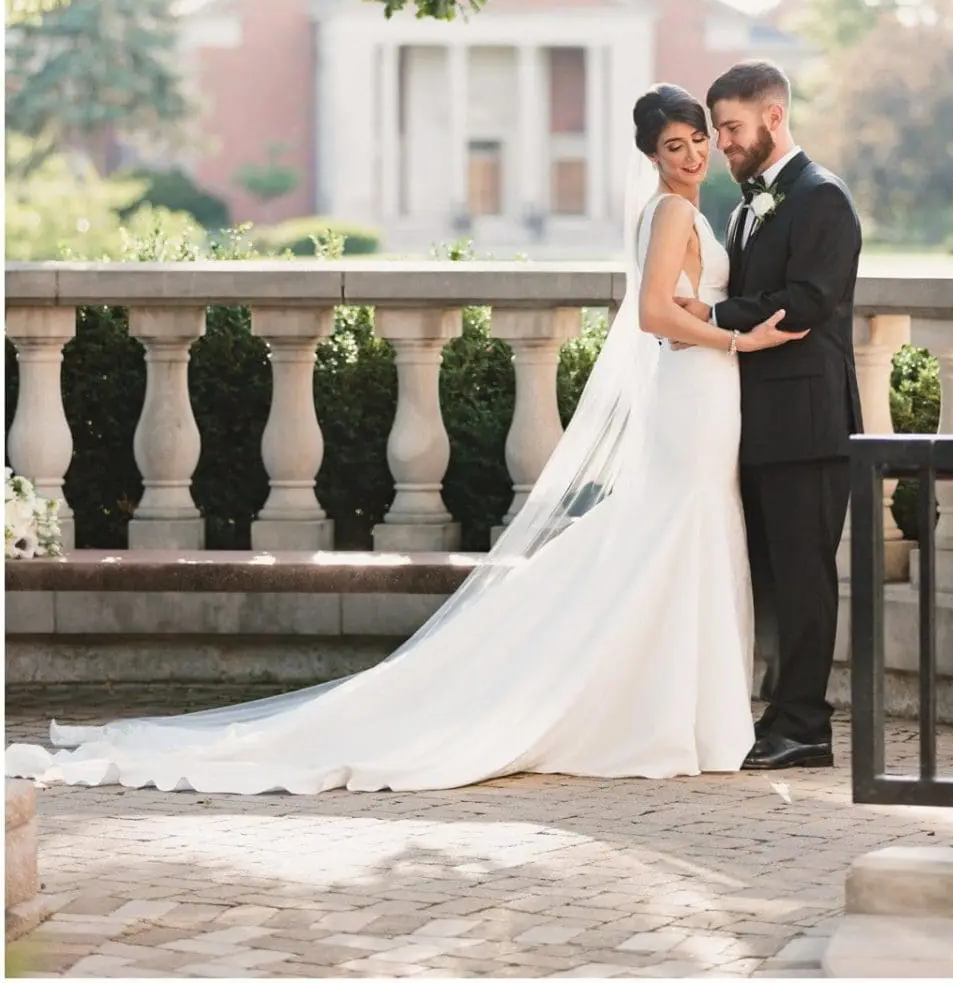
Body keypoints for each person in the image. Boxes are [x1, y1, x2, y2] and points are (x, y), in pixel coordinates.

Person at [5, 84, 801, 793]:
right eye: (676, 144)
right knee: (676, 530)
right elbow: (658, 314)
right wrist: (740, 340)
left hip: (701, 394)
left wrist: (714, 325)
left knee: (679, 533)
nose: (695, 153)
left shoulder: (691, 210)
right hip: (696, 387)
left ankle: (688, 710)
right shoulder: (669, 211)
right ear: (650, 155)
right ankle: (665, 714)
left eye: (700, 138)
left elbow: (682, 306)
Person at [680, 61, 865, 770]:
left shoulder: (824, 200)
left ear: (773, 116)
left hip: (810, 427)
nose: (720, 143)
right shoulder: (743, 207)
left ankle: (806, 727)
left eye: (730, 127)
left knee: (805, 578)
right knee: (767, 579)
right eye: (717, 129)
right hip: (753, 426)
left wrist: (716, 314)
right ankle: (772, 713)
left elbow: (809, 300)